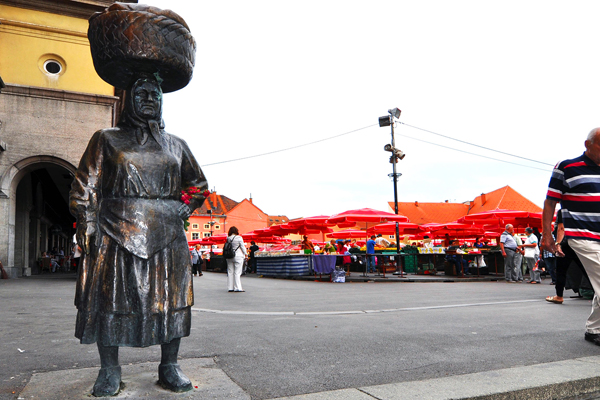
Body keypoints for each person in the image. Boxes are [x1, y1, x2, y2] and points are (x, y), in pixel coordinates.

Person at [69, 73, 207, 396]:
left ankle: (169, 365)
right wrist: (86, 221)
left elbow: (197, 185)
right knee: (111, 298)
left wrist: (183, 209)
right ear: (128, 98)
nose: (149, 98)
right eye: (141, 92)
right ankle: (109, 370)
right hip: (116, 231)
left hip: (168, 236)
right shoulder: (106, 139)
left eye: (155, 93)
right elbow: (84, 186)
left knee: (172, 300)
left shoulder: (176, 145)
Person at [541, 127, 600, 346]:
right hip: (581, 235)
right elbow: (550, 202)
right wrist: (547, 235)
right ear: (588, 144)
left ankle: (594, 330)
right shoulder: (566, 167)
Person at [546, 209, 590, 304]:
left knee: (561, 271)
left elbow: (561, 228)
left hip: (567, 245)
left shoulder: (564, 210)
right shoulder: (583, 210)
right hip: (582, 243)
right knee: (587, 270)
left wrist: (558, 244)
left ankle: (559, 296)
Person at [226, 226, 246, 292]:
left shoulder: (228, 238)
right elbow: (242, 247)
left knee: (230, 272)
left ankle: (230, 287)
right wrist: (246, 254)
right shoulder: (239, 238)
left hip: (229, 256)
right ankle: (238, 287)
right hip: (238, 256)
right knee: (237, 272)